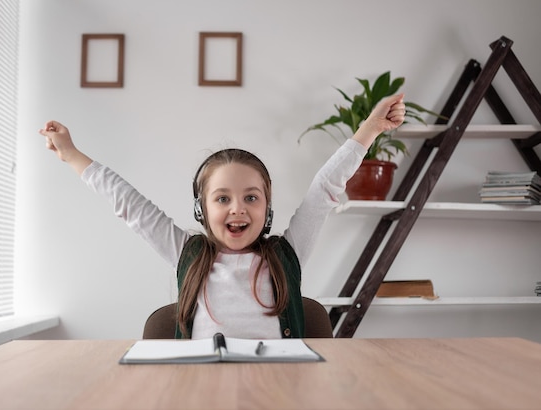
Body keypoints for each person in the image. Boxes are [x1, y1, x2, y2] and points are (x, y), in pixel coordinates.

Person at [39, 94, 405, 339]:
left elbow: (326, 187)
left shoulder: (286, 255)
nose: (237, 208)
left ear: (267, 208)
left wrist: (370, 128)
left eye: (251, 197)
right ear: (202, 210)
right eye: (222, 198)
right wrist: (71, 154)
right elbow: (129, 205)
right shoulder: (188, 252)